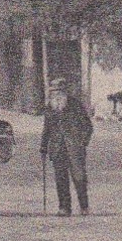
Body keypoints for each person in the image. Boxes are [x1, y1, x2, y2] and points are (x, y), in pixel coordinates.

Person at [40, 76, 94, 216]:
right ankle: (64, 207)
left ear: (64, 92)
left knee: (79, 177)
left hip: (75, 148)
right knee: (60, 178)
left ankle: (84, 206)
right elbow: (46, 129)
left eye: (59, 91)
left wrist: (82, 142)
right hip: (57, 148)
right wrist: (43, 147)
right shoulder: (49, 108)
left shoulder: (75, 105)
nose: (56, 94)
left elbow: (88, 126)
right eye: (53, 92)